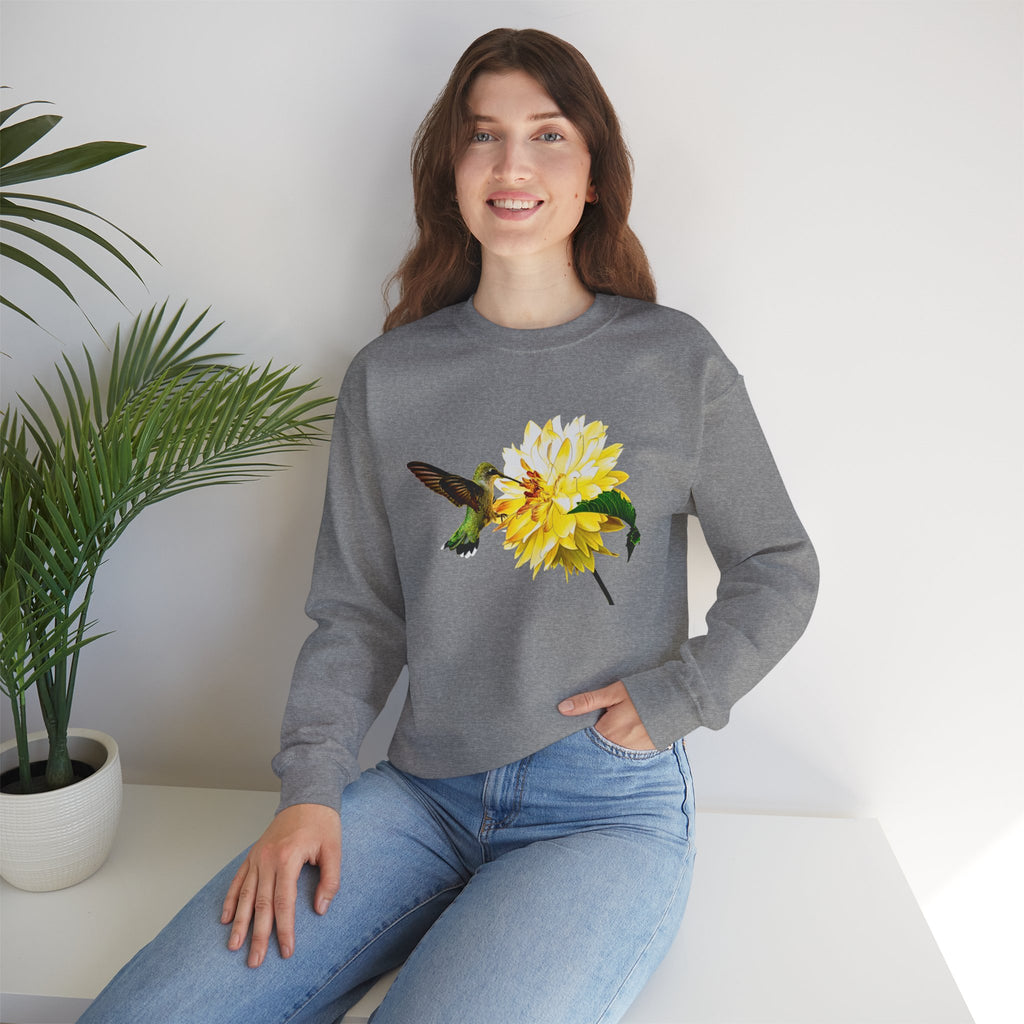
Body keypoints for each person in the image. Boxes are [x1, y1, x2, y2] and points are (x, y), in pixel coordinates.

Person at [80, 27, 818, 1024]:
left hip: (602, 807)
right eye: (482, 135)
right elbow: (358, 614)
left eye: (547, 135)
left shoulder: (673, 362)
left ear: (593, 174)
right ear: (452, 171)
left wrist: (682, 692)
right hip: (420, 793)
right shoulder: (390, 377)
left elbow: (778, 565)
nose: (512, 164)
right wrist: (310, 791)